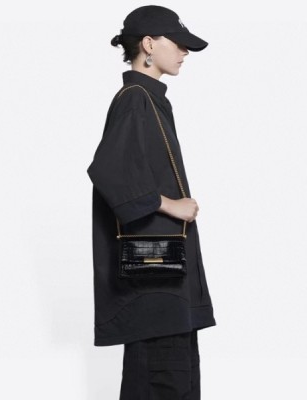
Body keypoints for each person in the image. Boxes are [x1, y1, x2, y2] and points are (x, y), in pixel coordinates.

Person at [86, 5, 216, 399]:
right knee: (162, 381)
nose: (184, 51)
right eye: (177, 43)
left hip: (164, 281)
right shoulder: (136, 99)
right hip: (155, 286)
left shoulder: (150, 100)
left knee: (174, 378)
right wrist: (170, 204)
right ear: (148, 44)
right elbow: (109, 170)